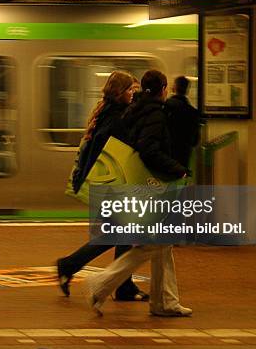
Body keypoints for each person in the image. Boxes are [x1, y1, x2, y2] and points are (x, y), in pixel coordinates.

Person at [84, 69, 192, 317]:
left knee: (161, 245)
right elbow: (148, 150)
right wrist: (178, 170)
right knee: (150, 246)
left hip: (136, 187)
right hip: (152, 188)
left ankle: (164, 302)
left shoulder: (135, 109)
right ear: (164, 89)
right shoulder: (155, 113)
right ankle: (100, 285)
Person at [57, 71, 149, 302]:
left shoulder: (105, 112)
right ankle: (68, 265)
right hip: (115, 184)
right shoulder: (117, 118)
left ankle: (123, 285)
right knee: (115, 235)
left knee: (120, 234)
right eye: (129, 90)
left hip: (109, 183)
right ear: (119, 92)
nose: (132, 94)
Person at [165, 76, 200, 168]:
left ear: (174, 88)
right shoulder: (193, 112)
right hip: (183, 156)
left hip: (166, 155)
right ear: (187, 90)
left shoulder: (164, 107)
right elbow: (195, 140)